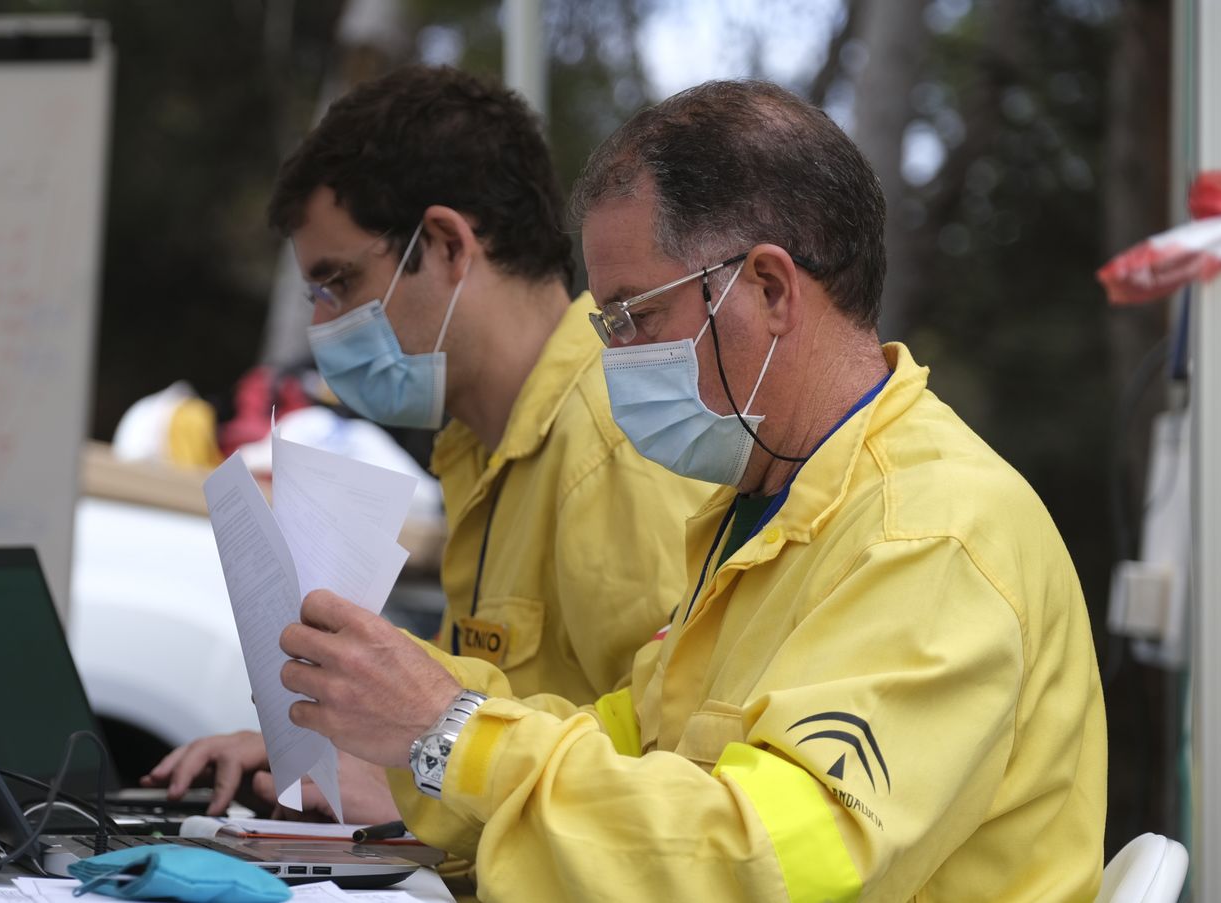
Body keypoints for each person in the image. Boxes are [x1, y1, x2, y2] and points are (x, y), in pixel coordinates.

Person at [275, 80, 1108, 901]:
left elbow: (769, 864)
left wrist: (449, 732)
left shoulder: (928, 532)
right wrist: (414, 701)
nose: (614, 357)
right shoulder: (767, 508)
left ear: (770, 288)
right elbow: (635, 742)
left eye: (635, 315)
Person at [144, 66, 715, 826]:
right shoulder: (479, 447)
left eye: (338, 283)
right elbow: (484, 724)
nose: (321, 327)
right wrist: (351, 761)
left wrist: (408, 784)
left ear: (447, 244)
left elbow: (668, 783)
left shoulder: (617, 450)